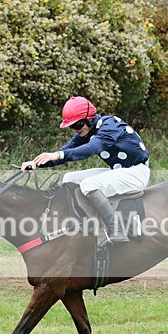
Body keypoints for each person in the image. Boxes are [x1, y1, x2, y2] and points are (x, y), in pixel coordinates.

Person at [21, 96, 150, 245]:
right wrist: (37, 164)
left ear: (90, 118)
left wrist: (57, 154)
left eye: (79, 124)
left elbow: (92, 148)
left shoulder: (110, 124)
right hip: (119, 172)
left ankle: (116, 230)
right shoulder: (87, 131)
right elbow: (65, 152)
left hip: (136, 173)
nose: (76, 129)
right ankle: (79, 223)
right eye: (72, 126)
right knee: (69, 178)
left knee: (89, 185)